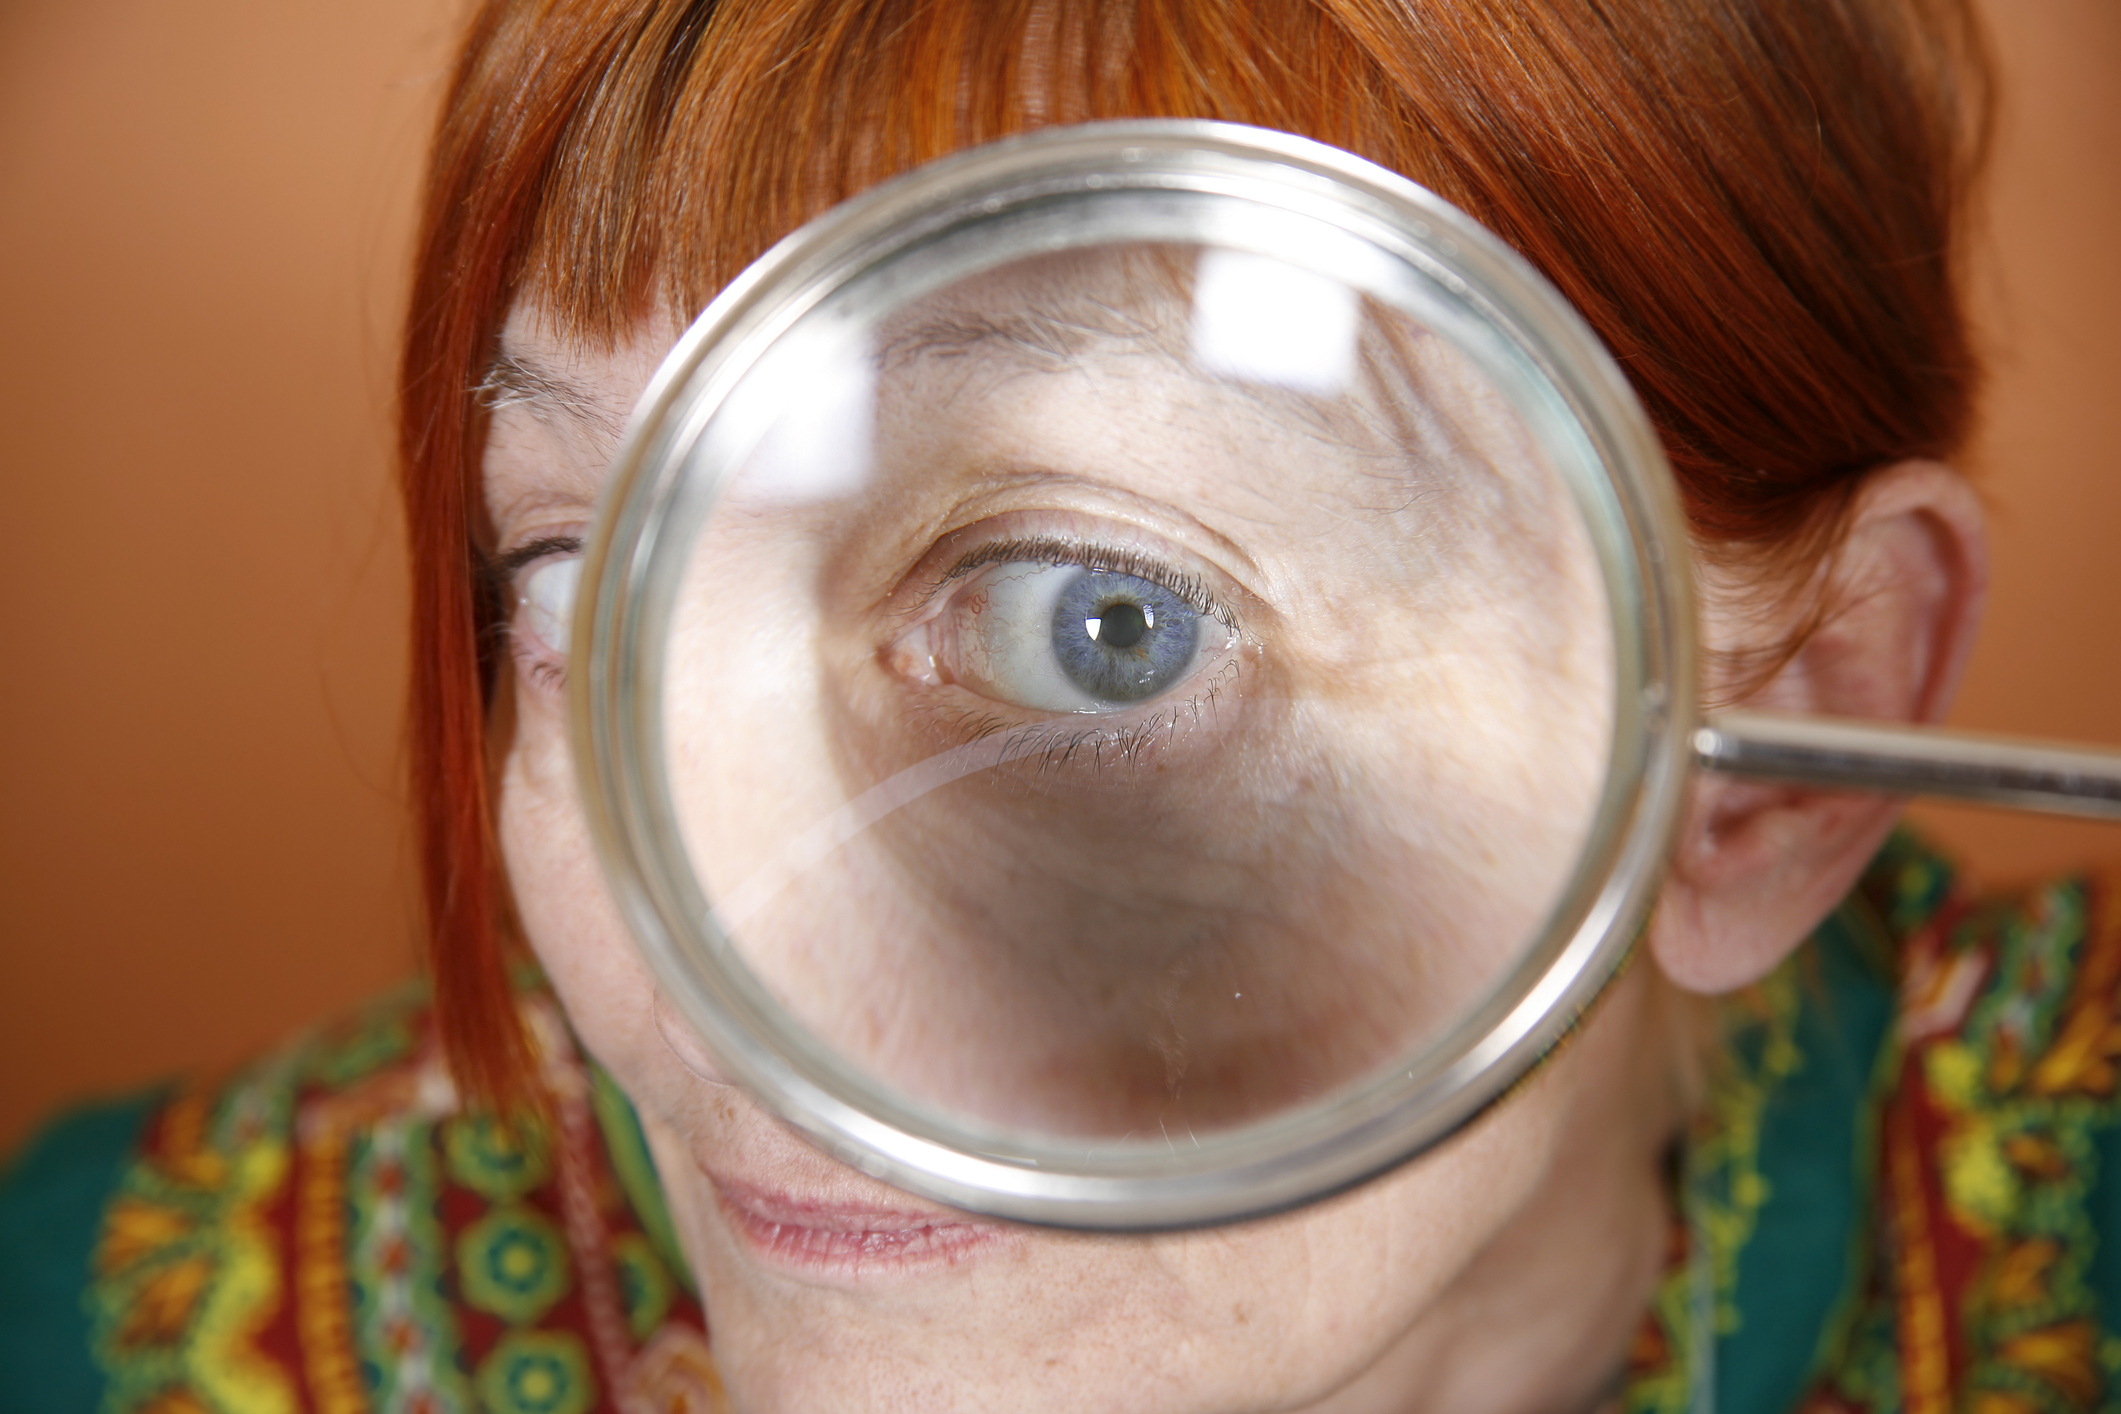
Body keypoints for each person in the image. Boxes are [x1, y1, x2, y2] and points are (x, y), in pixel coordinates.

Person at [5, 1, 2112, 1411]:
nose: (683, 951)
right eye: (575, 579)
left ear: (1771, 747)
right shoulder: (111, 1321)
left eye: (1102, 622)